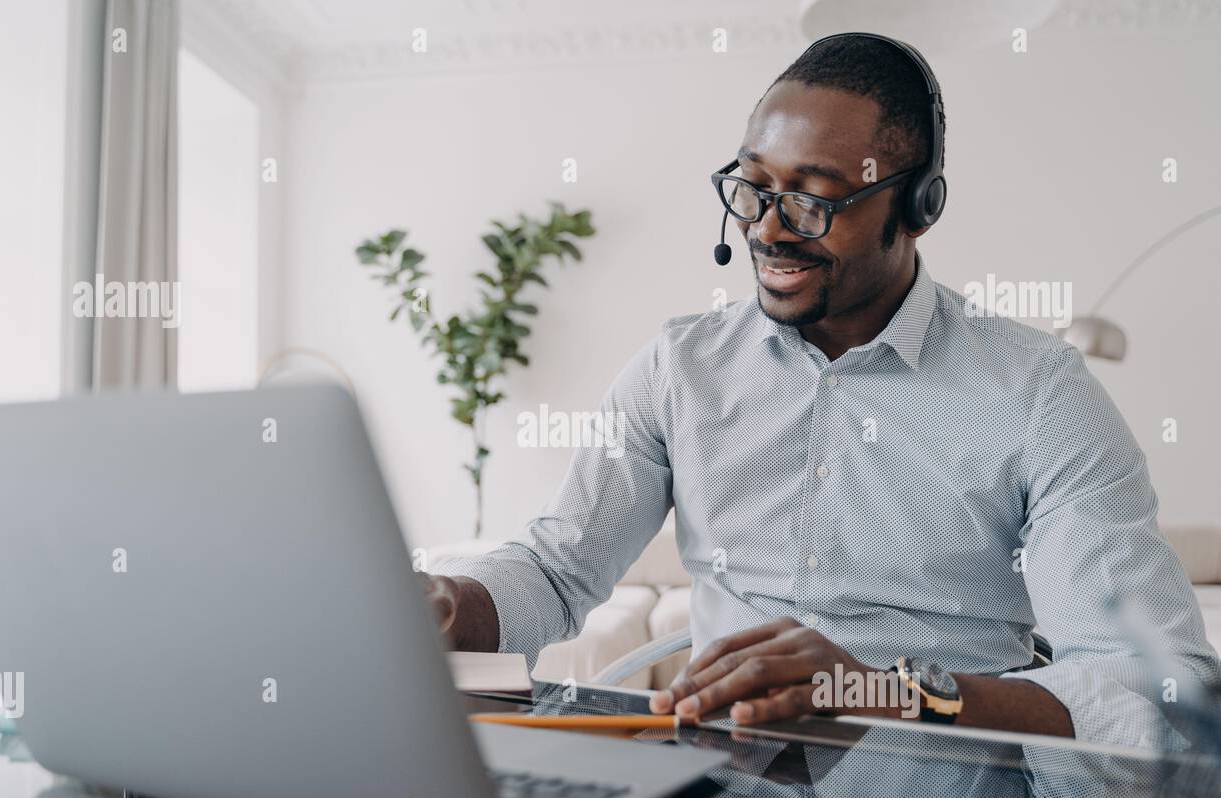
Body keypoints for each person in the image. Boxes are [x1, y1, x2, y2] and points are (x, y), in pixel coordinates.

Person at [419, 34, 1219, 745]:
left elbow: (1164, 691)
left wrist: (881, 693)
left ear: (917, 207)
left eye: (811, 197)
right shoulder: (678, 369)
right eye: (754, 187)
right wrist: (458, 604)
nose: (767, 227)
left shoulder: (1041, 394)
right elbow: (559, 570)